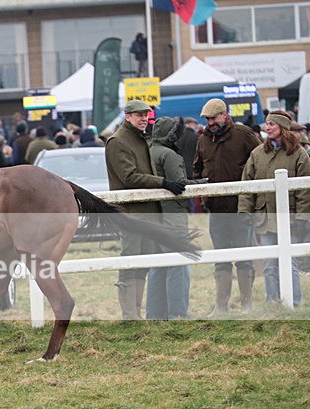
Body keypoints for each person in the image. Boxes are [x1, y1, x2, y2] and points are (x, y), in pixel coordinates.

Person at [105, 99, 186, 320]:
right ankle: (129, 316)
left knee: (144, 260)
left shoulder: (141, 139)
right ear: (128, 116)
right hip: (131, 213)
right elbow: (129, 177)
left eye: (146, 115)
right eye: (139, 115)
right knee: (130, 260)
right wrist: (163, 183)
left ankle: (136, 315)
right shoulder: (118, 141)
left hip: (148, 211)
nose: (144, 119)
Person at [194, 97, 261, 315]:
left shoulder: (244, 135)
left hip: (240, 208)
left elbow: (261, 161)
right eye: (207, 119)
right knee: (220, 259)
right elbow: (198, 168)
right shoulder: (203, 140)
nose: (210, 122)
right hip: (216, 210)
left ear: (224, 115)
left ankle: (246, 305)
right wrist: (201, 191)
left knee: (244, 258)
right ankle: (221, 306)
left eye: (213, 118)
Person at [238, 111, 310, 308]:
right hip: (265, 218)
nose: (267, 127)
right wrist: (244, 211)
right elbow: (247, 185)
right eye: (266, 124)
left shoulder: (299, 155)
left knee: (291, 264)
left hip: (291, 220)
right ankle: (273, 303)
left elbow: (305, 191)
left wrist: (304, 218)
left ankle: (293, 304)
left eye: (271, 124)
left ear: (282, 128)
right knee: (270, 265)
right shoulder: (257, 154)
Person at [146, 116, 201, 320]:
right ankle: (178, 313)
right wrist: (203, 184)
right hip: (172, 217)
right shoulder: (169, 155)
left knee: (158, 267)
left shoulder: (149, 151)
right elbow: (180, 186)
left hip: (153, 217)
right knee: (179, 264)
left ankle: (154, 315)